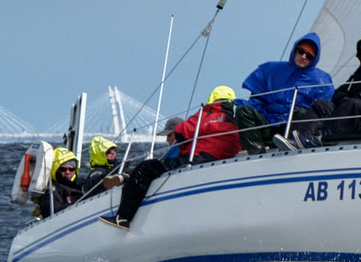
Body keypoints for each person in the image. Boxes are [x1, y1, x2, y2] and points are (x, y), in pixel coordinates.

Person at [109, 85, 244, 229]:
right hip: (222, 163)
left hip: (198, 160)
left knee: (145, 168)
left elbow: (181, 132)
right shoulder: (236, 123)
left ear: (212, 99)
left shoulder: (206, 114)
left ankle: (123, 218)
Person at [242, 33, 335, 135]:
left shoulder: (321, 80)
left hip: (295, 126)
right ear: (295, 50)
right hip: (267, 120)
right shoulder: (270, 70)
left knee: (301, 113)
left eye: (309, 56)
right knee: (243, 111)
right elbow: (256, 99)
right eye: (301, 51)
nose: (303, 57)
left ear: (314, 59)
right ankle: (256, 150)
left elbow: (323, 108)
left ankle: (293, 143)